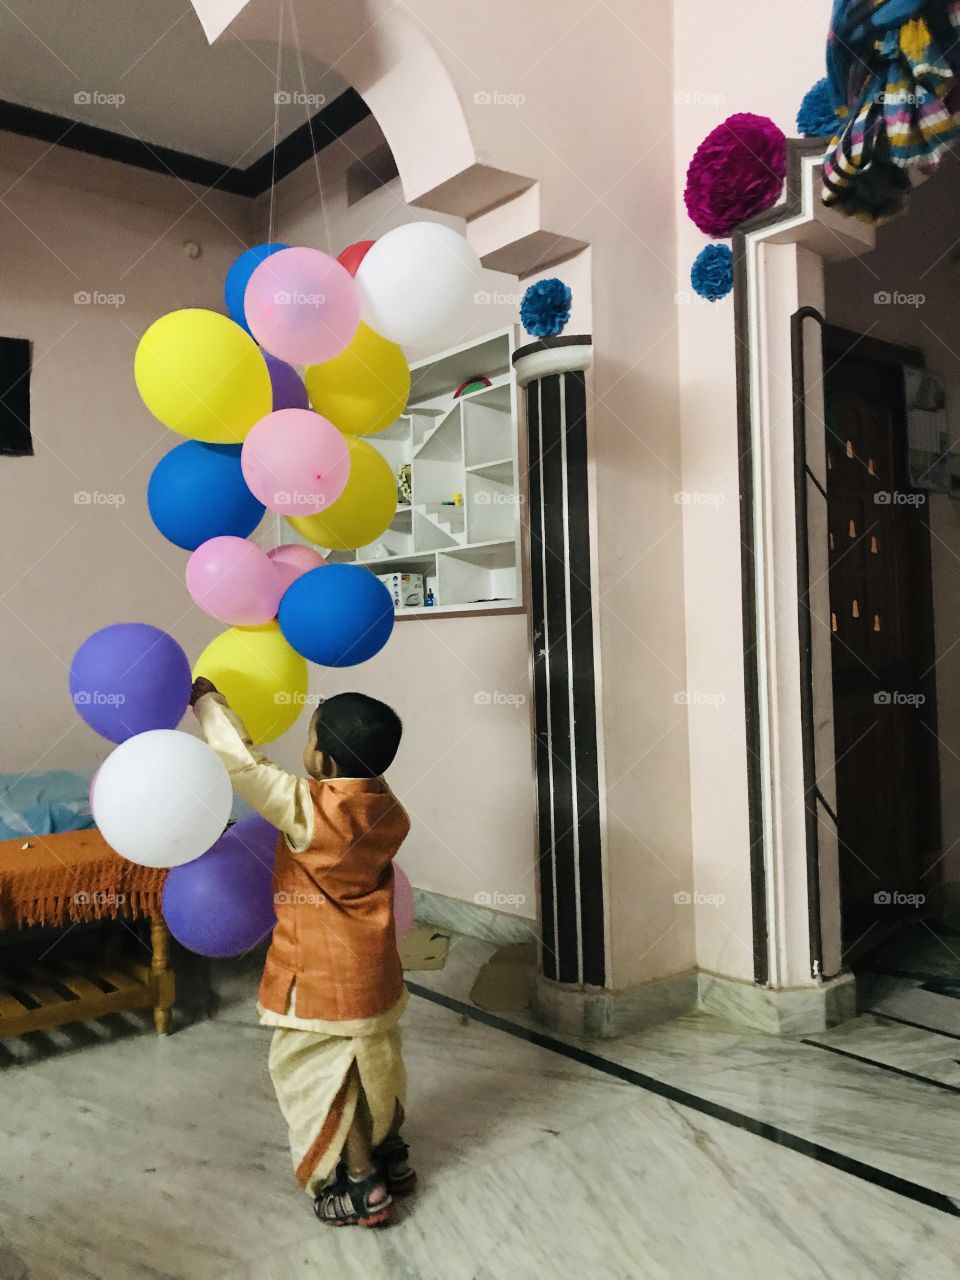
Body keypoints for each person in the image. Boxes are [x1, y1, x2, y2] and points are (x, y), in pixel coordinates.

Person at [191, 676, 414, 1228]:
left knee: (321, 1076)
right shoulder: (387, 808)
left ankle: (362, 1183)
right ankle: (392, 1156)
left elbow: (245, 765)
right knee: (376, 1063)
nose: (305, 746)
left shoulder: (310, 811)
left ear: (326, 761)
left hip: (319, 979)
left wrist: (210, 704)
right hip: (374, 970)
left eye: (311, 738)